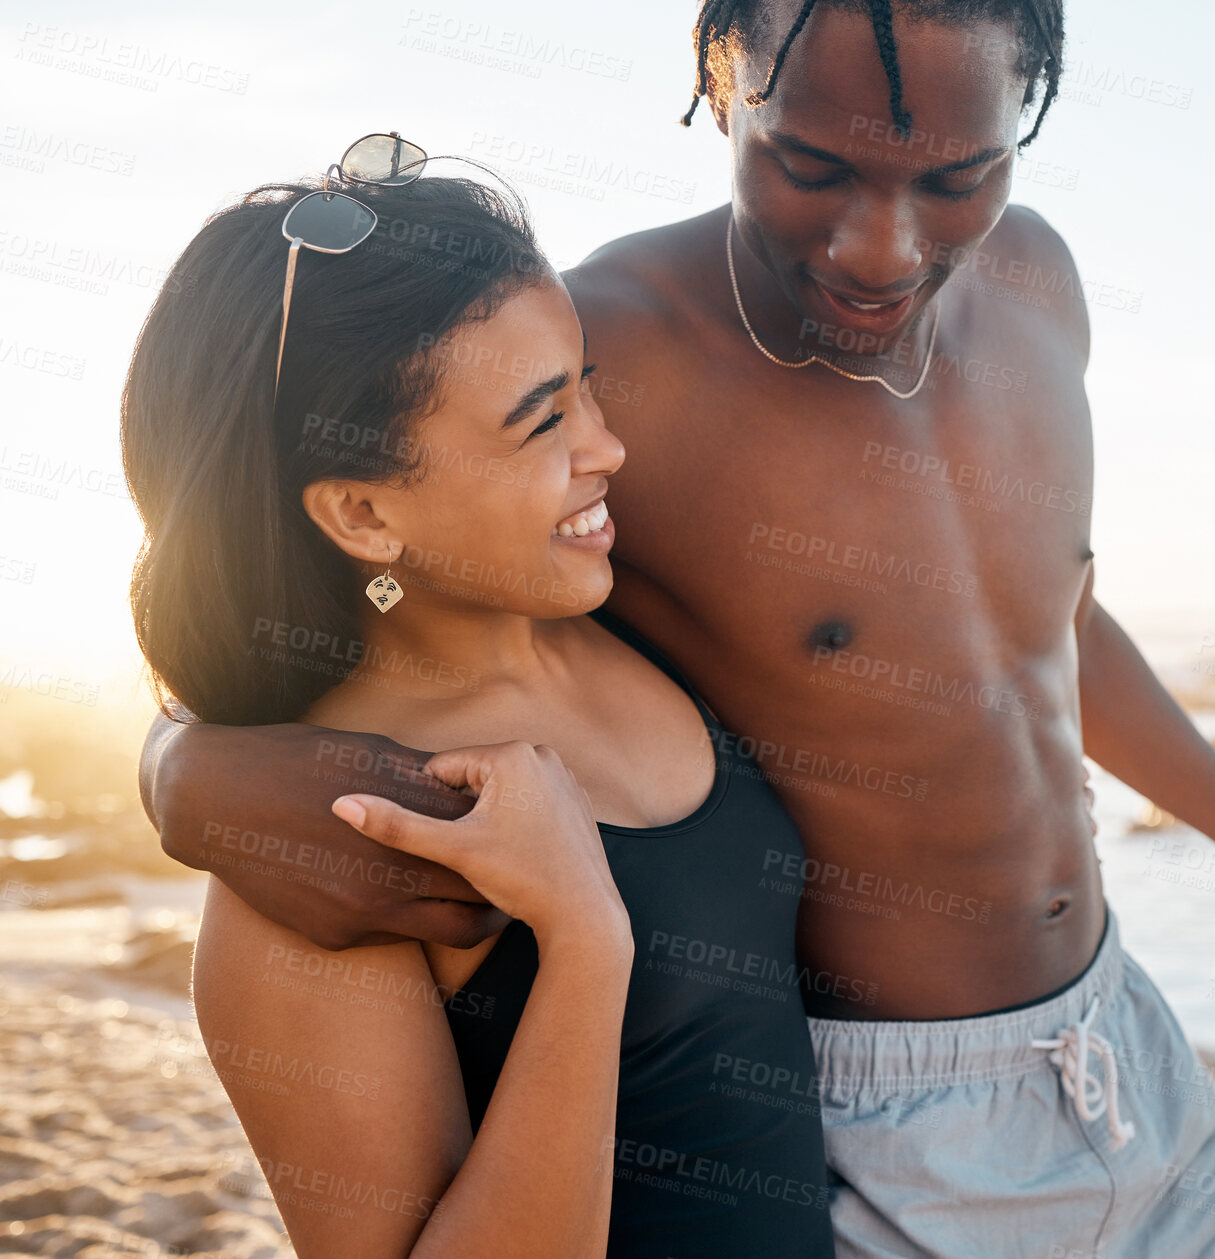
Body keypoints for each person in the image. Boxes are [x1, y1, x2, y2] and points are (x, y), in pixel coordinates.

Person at [141, 5, 1215, 1257]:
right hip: (883, 1121)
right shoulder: (618, 356)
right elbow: (344, 520)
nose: (880, 248)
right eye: (810, 166)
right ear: (718, 83)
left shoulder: (1037, 283)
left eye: (957, 176)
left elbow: (1056, 629)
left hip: (1118, 1039)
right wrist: (186, 762)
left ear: (1021, 119)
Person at [122, 160, 835, 1258]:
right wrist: (587, 942)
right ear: (364, 512)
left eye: (586, 384)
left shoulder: (628, 611)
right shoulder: (334, 846)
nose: (607, 446)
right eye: (542, 422)